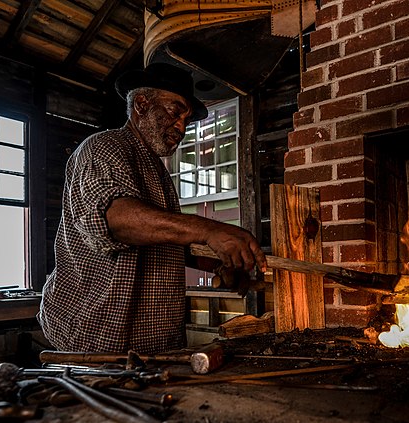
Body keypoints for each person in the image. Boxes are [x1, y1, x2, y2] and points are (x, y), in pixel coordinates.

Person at [37, 62, 267, 355]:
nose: (182, 127)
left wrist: (221, 262)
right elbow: (113, 220)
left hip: (153, 342)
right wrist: (209, 229)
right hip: (96, 335)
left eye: (187, 119)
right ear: (142, 104)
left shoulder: (157, 171)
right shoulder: (104, 148)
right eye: (175, 111)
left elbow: (163, 244)